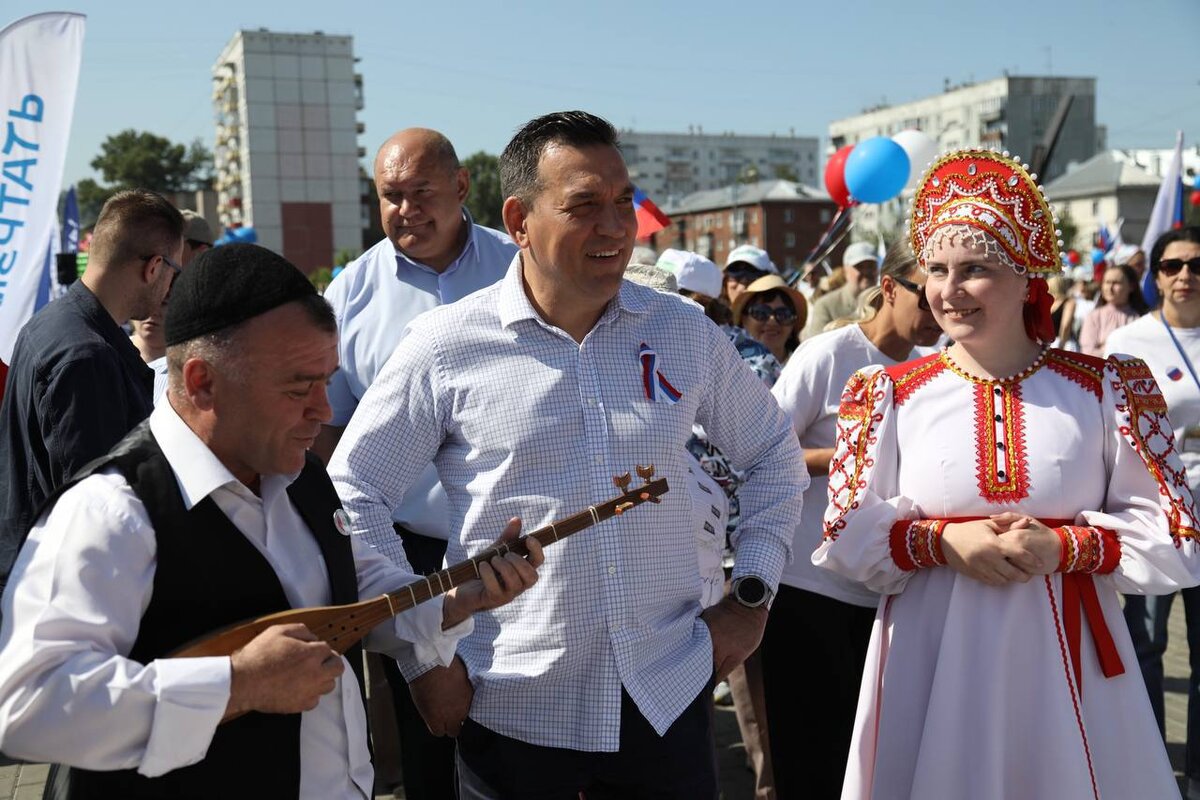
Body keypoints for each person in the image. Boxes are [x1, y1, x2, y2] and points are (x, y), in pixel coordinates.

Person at [327, 110, 805, 800]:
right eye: (584, 206)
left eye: (622, 203)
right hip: (513, 713)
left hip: (666, 700)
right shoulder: (445, 346)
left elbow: (773, 457)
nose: (616, 227)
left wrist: (752, 593)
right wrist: (421, 650)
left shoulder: (680, 330)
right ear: (519, 219)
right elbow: (353, 497)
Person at [0, 243, 541, 799]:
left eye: (326, 382)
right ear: (202, 381)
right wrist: (237, 684)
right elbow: (26, 705)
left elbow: (354, 596)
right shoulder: (114, 511)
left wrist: (454, 597)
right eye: (298, 387)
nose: (324, 412)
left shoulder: (301, 479)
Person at [813, 149, 1200, 799]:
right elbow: (844, 529)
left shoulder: (1106, 388)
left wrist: (1067, 546)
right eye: (936, 270)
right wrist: (940, 541)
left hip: (1068, 658)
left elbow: (1177, 529)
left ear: (1027, 279)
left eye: (975, 269)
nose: (948, 289)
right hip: (932, 658)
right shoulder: (888, 392)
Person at [315, 127, 517, 800]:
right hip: (404, 554)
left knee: (519, 727)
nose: (406, 210)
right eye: (390, 196)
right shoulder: (351, 296)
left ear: (463, 188)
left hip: (513, 545)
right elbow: (330, 434)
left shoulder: (522, 270)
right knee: (429, 734)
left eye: (422, 193)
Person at [766, 244, 942, 800]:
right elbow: (763, 452)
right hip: (809, 586)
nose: (940, 309)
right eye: (927, 293)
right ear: (889, 288)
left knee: (876, 761)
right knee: (812, 755)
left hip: (896, 593)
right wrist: (849, 455)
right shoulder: (831, 353)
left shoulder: (946, 368)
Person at [0, 189, 183, 595]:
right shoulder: (87, 356)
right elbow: (96, 512)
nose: (172, 287)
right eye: (175, 272)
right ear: (155, 267)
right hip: (61, 592)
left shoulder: (51, 325)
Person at [1106, 226, 1200, 798]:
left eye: (1198, 265)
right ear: (1156, 274)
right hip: (1156, 511)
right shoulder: (1132, 340)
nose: (1186, 275)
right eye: (1172, 265)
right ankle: (1143, 769)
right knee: (1146, 645)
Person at [802, 241, 878, 339]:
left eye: (871, 266)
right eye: (859, 267)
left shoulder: (886, 302)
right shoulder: (826, 306)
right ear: (846, 270)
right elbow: (817, 347)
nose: (867, 271)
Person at [731, 274, 807, 364]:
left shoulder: (806, 367)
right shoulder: (729, 367)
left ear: (793, 324)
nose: (772, 321)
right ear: (744, 320)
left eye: (783, 314)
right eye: (761, 312)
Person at [1079, 264, 1148, 357]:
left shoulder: (1141, 317)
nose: (1110, 288)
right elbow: (1088, 353)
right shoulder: (1094, 316)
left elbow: (1144, 351)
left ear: (1131, 286)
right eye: (1107, 282)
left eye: (1116, 283)